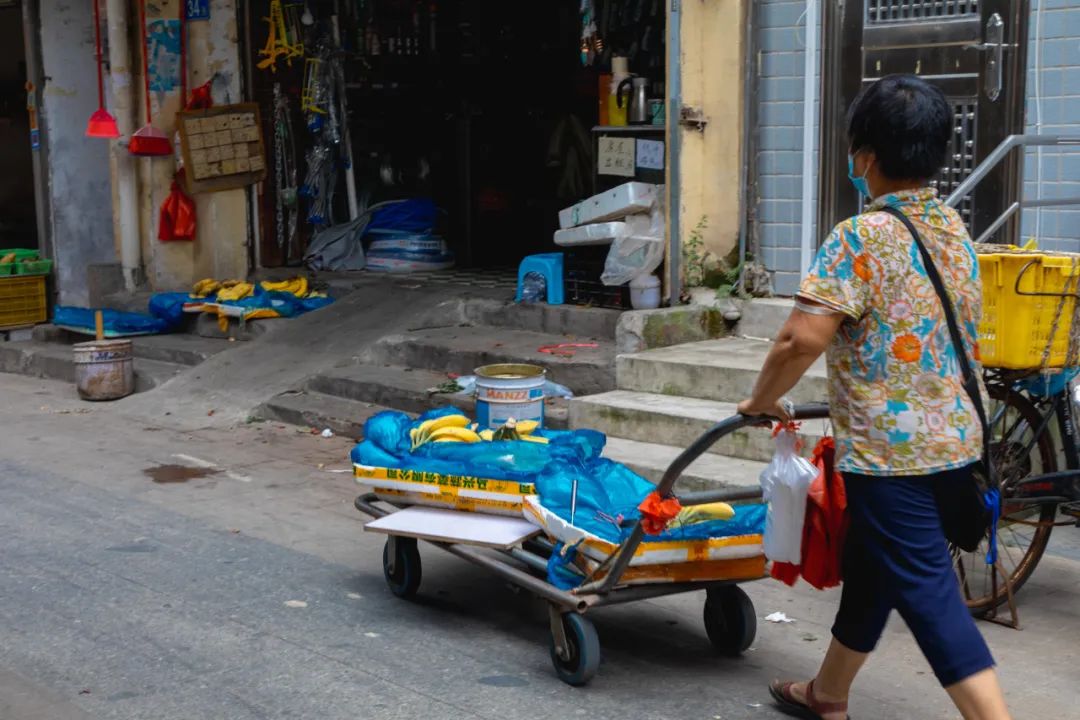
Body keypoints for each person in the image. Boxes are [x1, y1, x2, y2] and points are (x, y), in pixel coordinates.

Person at [737, 74, 1012, 720]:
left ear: (864, 157)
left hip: (896, 463)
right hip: (961, 451)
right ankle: (828, 693)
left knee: (931, 601)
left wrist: (759, 401)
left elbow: (799, 338)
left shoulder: (860, 237)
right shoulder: (955, 234)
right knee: (874, 566)